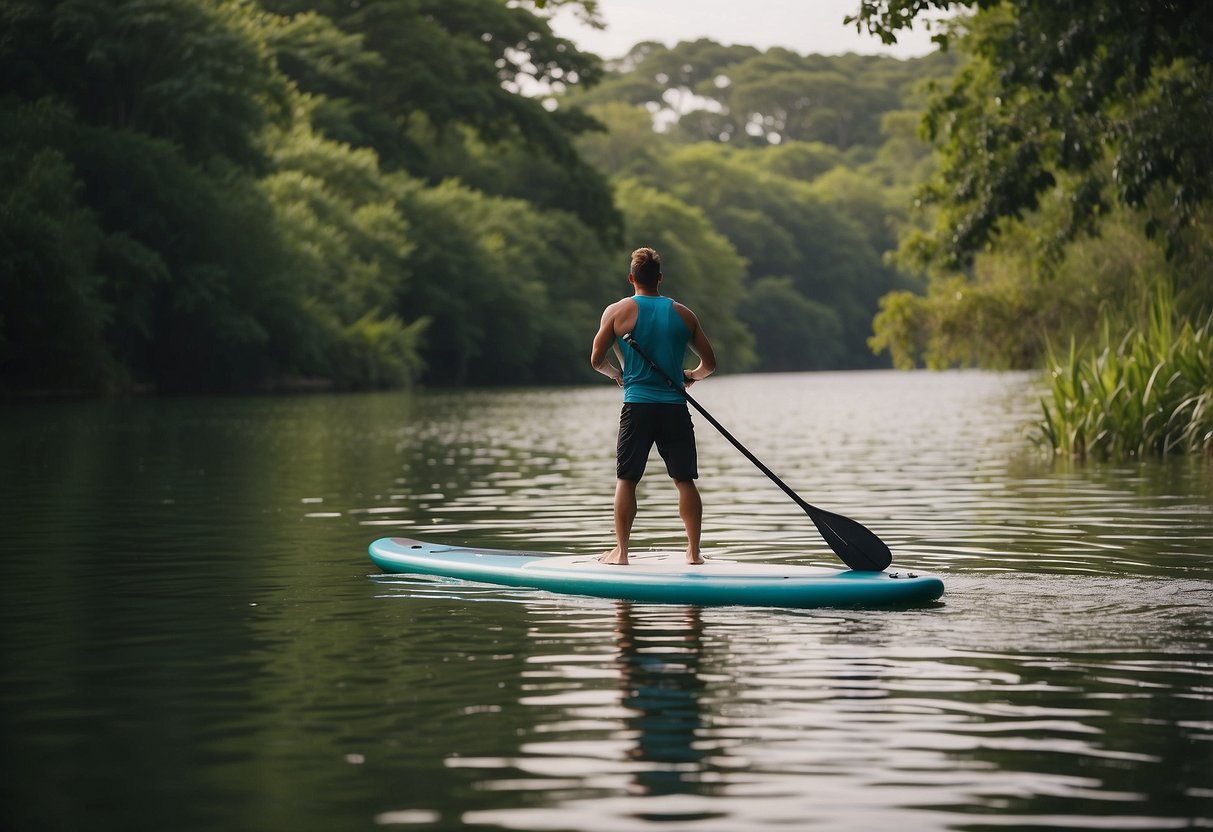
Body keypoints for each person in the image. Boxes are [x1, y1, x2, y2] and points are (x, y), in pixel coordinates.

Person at [590, 247, 717, 565]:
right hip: (674, 406)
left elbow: (596, 360)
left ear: (631, 278)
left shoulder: (617, 313)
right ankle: (693, 552)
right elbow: (710, 364)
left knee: (627, 479)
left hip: (637, 407)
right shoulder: (683, 314)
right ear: (660, 278)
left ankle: (622, 552)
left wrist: (617, 375)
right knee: (684, 480)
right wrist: (690, 376)